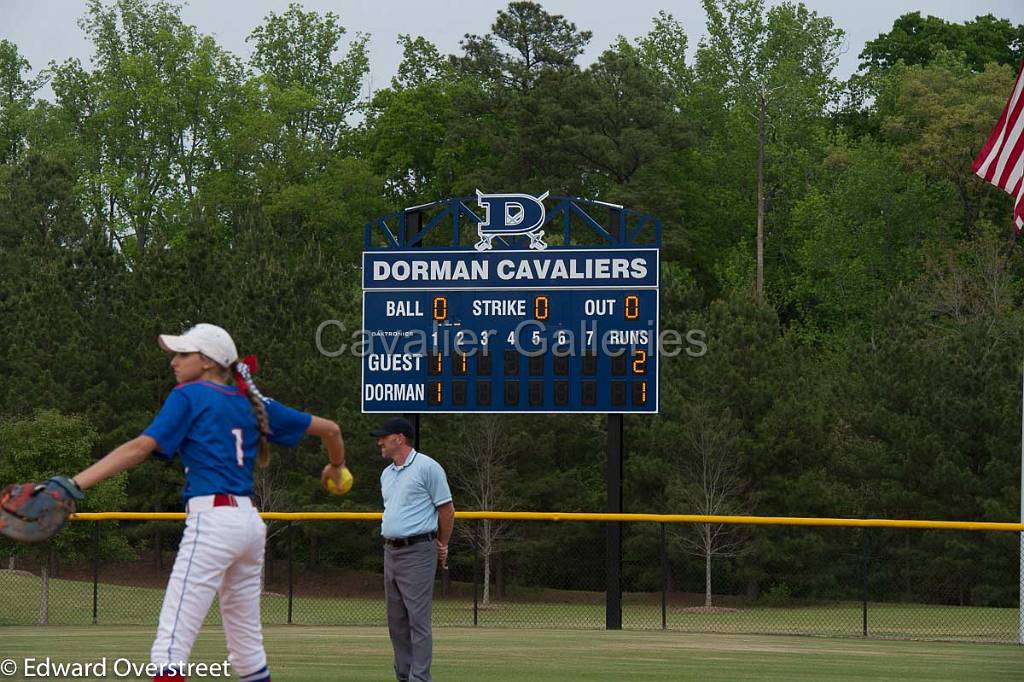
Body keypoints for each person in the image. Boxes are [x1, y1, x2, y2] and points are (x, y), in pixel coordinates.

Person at [68, 323, 346, 682]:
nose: (174, 362)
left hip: (213, 522)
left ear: (207, 362)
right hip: (249, 527)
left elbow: (140, 447)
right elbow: (332, 430)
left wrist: (74, 484)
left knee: (170, 645)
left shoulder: (190, 395)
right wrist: (336, 466)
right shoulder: (252, 403)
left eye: (183, 354)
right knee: (247, 647)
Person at [372, 417, 455, 682]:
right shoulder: (386, 474)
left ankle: (420, 678)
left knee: (418, 620)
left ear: (399, 438)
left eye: (383, 437)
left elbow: (446, 510)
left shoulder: (427, 467)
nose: (379, 442)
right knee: (396, 622)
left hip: (418, 550)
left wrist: (442, 543)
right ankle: (404, 676)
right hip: (391, 552)